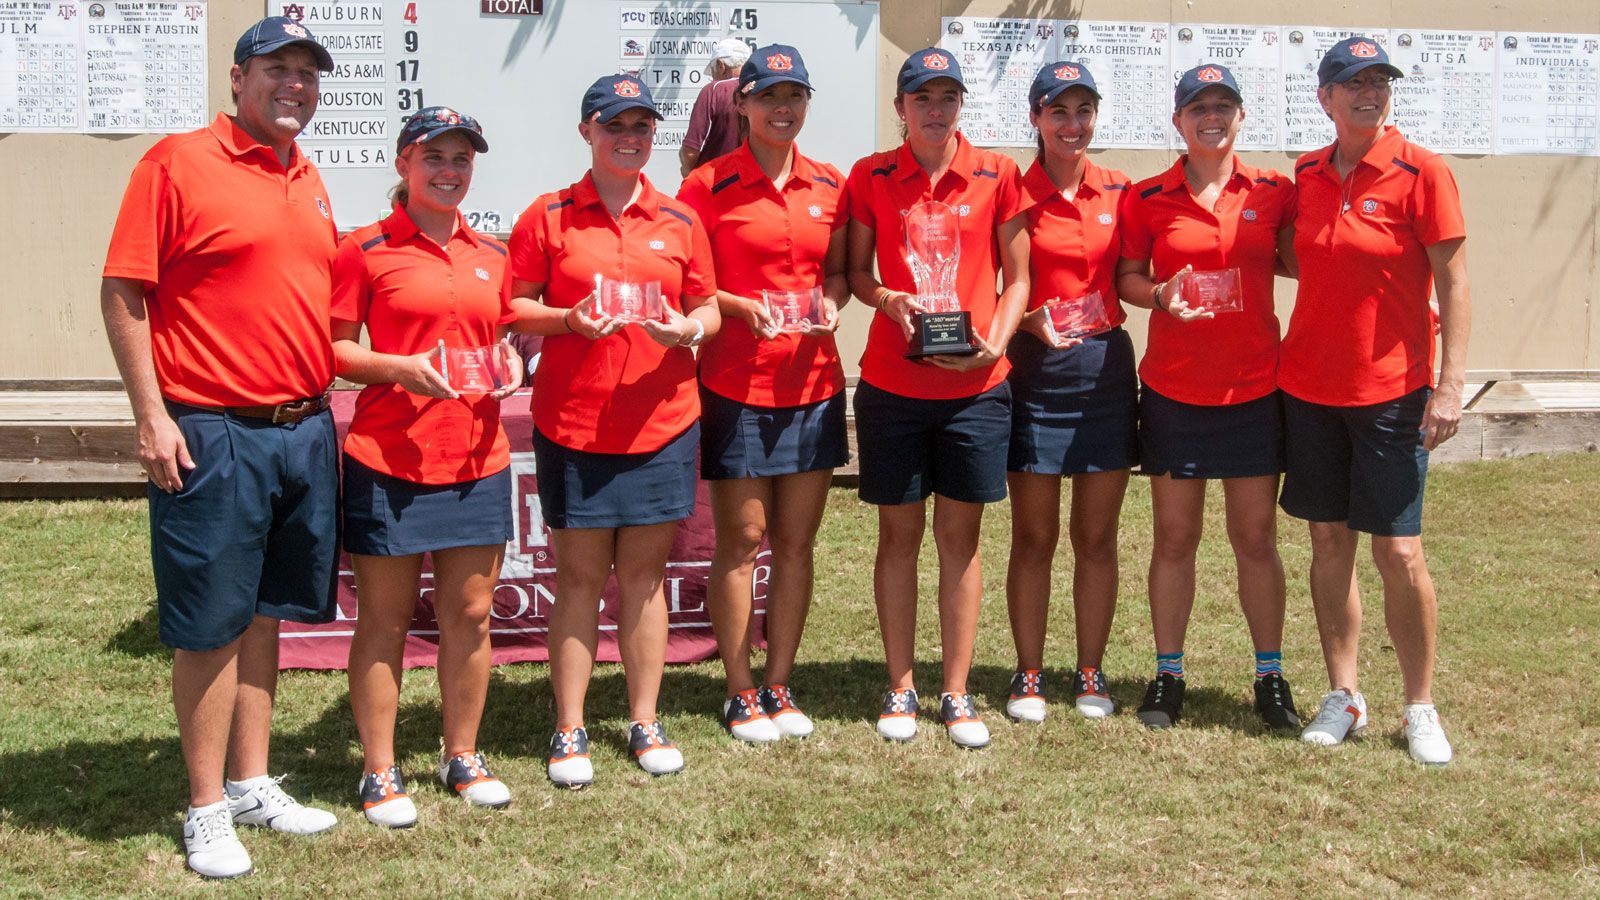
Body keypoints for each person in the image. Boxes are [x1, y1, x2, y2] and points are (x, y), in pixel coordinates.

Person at [100, 16, 340, 879]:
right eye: (278, 68)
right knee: (209, 624)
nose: (296, 85)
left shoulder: (306, 174)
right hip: (211, 428)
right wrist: (151, 415)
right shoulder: (177, 162)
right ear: (237, 78)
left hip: (300, 428)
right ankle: (205, 808)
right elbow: (124, 290)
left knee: (267, 611)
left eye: (309, 73)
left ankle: (249, 782)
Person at [508, 74, 721, 786]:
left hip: (662, 422)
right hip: (574, 423)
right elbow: (515, 306)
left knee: (644, 578)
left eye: (641, 126)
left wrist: (688, 328)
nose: (629, 138)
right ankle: (570, 727)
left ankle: (643, 717)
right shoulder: (549, 215)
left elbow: (709, 306)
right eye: (614, 126)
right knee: (578, 577)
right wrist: (567, 321)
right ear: (586, 132)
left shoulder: (681, 219)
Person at [1279, 37, 1471, 765]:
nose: (1369, 92)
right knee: (1329, 542)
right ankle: (1344, 694)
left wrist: (1448, 386)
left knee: (1399, 551)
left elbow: (1454, 285)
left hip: (1392, 392)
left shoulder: (1424, 171)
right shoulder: (1305, 172)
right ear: (1325, 97)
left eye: (1379, 81)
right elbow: (1293, 255)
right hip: (1309, 389)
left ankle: (1420, 706)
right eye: (1352, 82)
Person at [332, 107, 524, 827]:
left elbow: (505, 341)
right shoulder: (366, 247)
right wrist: (398, 369)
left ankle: (461, 754)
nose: (449, 171)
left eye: (462, 159)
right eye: (434, 157)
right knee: (383, 622)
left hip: (476, 456)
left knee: (470, 615)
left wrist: (510, 363)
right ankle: (379, 770)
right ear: (402, 163)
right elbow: (335, 350)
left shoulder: (493, 253)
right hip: (389, 456)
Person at [844, 48, 1029, 749]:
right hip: (893, 384)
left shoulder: (998, 173)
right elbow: (859, 273)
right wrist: (889, 299)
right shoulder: (871, 175)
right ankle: (900, 684)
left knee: (961, 540)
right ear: (901, 107)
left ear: (960, 105)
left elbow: (1018, 279)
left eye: (948, 96)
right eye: (922, 97)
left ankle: (954, 691)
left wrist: (998, 343)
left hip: (976, 389)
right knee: (899, 538)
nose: (935, 108)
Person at [1115, 64, 1300, 731]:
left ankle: (1270, 676)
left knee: (1255, 537)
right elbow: (1128, 278)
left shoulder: (1276, 191)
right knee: (1174, 538)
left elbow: (1305, 259)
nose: (1211, 116)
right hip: (1174, 390)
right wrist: (1161, 295)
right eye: (1198, 107)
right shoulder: (1147, 197)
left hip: (1254, 389)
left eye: (1223, 105)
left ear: (1241, 117)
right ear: (1178, 121)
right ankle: (1168, 675)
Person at [677, 45, 849, 743]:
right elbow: (689, 284)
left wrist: (834, 304)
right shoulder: (707, 186)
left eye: (795, 95)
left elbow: (839, 272)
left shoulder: (832, 184)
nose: (783, 108)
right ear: (740, 103)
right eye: (769, 95)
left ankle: (781, 679)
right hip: (735, 382)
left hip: (812, 382)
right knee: (743, 540)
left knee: (796, 541)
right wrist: (740, 306)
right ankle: (740, 687)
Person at [1001, 62, 1137, 724]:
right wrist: (1027, 321)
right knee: (1034, 536)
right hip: (1035, 370)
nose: (1072, 124)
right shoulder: (1015, 192)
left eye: (1083, 111)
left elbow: (1135, 274)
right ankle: (1029, 673)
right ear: (1036, 118)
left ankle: (1090, 669)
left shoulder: (1119, 189)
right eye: (1059, 111)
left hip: (1105, 371)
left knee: (1097, 536)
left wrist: (1165, 294)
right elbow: (1007, 283)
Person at [679, 37, 752, 176]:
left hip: (715, 184)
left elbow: (690, 152)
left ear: (721, 65)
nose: (712, 76)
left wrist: (688, 172)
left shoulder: (713, 90)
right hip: (753, 185)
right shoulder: (761, 91)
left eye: (712, 70)